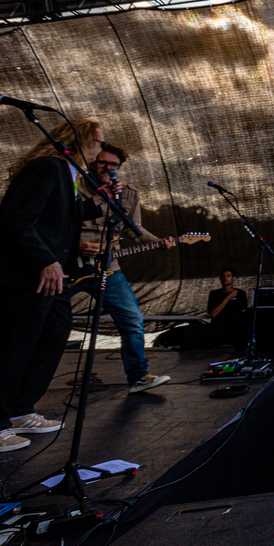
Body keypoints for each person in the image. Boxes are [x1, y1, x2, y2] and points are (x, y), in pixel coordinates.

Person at [0, 120, 105, 453]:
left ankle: (19, 408)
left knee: (57, 330)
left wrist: (97, 201)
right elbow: (18, 220)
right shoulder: (48, 167)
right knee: (18, 344)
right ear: (79, 140)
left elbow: (55, 216)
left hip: (50, 273)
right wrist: (45, 259)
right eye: (98, 142)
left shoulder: (67, 175)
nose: (100, 149)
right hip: (28, 273)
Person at [74, 142, 175, 393]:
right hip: (69, 267)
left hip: (108, 267)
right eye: (103, 163)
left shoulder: (128, 193)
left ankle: (139, 377)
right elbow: (54, 224)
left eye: (114, 165)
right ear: (92, 163)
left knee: (132, 320)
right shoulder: (74, 188)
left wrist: (158, 242)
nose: (109, 168)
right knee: (47, 323)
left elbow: (134, 228)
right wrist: (75, 245)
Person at [207, 268, 249, 345]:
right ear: (220, 278)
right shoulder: (214, 294)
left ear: (233, 278)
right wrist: (229, 297)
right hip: (218, 329)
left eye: (228, 276)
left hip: (235, 329)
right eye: (223, 276)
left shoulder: (240, 293)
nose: (226, 278)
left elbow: (244, 312)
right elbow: (213, 314)